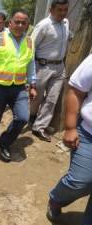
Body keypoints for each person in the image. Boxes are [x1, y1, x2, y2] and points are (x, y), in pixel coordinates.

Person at [0, 9, 37, 165]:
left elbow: (31, 65)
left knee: (23, 117)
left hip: (18, 88)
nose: (19, 25)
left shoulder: (30, 41)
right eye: (16, 21)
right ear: (9, 23)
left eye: (23, 22)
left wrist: (33, 85)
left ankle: (4, 142)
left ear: (27, 25)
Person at [47, 54, 92, 224]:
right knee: (81, 181)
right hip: (89, 133)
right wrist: (71, 127)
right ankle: (56, 199)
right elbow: (76, 90)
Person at [30, 0, 70, 142]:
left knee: (52, 99)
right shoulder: (43, 25)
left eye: (65, 9)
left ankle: (39, 127)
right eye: (60, 10)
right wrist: (31, 71)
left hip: (59, 68)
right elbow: (31, 47)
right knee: (37, 97)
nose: (63, 13)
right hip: (42, 67)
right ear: (51, 9)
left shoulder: (66, 23)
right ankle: (31, 117)